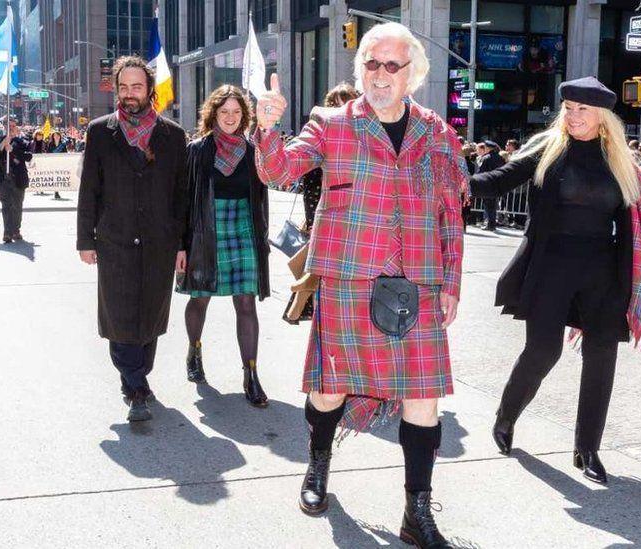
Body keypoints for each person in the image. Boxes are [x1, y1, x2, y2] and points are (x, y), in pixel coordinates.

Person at [254, 22, 465, 547]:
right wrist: (266, 127)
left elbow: (450, 213)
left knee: (424, 401)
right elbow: (278, 170)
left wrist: (451, 282)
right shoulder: (331, 123)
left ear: (412, 74)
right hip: (350, 280)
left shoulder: (436, 131)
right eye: (371, 63)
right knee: (328, 392)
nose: (380, 74)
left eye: (392, 65)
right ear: (360, 69)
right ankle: (318, 465)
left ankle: (416, 511)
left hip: (416, 282)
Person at [468, 77, 641, 485]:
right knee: (543, 351)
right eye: (568, 108)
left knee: (601, 355)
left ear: (603, 116)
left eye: (582, 110)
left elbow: (629, 221)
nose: (572, 117)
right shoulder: (548, 147)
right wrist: (455, 184)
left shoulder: (619, 160)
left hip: (603, 270)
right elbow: (499, 180)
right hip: (551, 264)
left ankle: (587, 448)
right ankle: (506, 417)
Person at [76, 55, 188, 423]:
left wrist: (183, 244)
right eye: (123, 87)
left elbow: (180, 195)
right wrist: (85, 240)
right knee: (120, 316)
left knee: (151, 316)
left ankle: (138, 376)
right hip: (114, 241)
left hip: (160, 243)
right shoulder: (99, 132)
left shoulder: (173, 136)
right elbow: (89, 189)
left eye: (136, 87)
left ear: (150, 90)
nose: (128, 94)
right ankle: (136, 387)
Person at [177, 85, 270, 406]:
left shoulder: (253, 149)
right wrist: (181, 245)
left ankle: (251, 373)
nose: (230, 118)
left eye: (236, 112)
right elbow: (183, 201)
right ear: (213, 114)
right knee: (199, 299)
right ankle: (194, 349)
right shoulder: (198, 149)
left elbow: (264, 194)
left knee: (246, 303)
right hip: (205, 230)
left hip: (244, 229)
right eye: (224, 112)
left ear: (244, 115)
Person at [286, 83, 361, 324]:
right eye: (335, 104)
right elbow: (291, 167)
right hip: (318, 211)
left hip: (350, 218)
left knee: (318, 268)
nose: (340, 108)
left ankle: (303, 308)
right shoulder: (320, 132)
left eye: (346, 102)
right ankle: (309, 310)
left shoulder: (362, 135)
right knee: (312, 267)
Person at [0, 116, 33, 243]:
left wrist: (13, 149)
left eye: (13, 126)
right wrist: (4, 144)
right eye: (9, 127)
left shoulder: (23, 142)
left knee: (17, 205)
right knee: (6, 205)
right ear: (4, 127)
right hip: (3, 177)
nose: (11, 129)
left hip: (18, 177)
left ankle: (16, 230)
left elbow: (28, 157)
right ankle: (7, 232)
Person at [475, 140, 505, 231]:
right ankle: (492, 224)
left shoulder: (486, 157)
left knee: (488, 205)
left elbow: (481, 171)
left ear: (488, 148)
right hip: (496, 183)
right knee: (493, 205)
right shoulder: (499, 157)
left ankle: (490, 224)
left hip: (487, 182)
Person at [44, 131, 67, 199]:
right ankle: (55, 191)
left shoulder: (63, 144)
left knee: (59, 176)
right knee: (54, 176)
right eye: (55, 136)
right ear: (53, 137)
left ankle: (57, 191)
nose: (56, 137)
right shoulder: (50, 144)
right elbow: (48, 153)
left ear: (60, 136)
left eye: (58, 135)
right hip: (53, 162)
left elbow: (65, 153)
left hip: (60, 162)